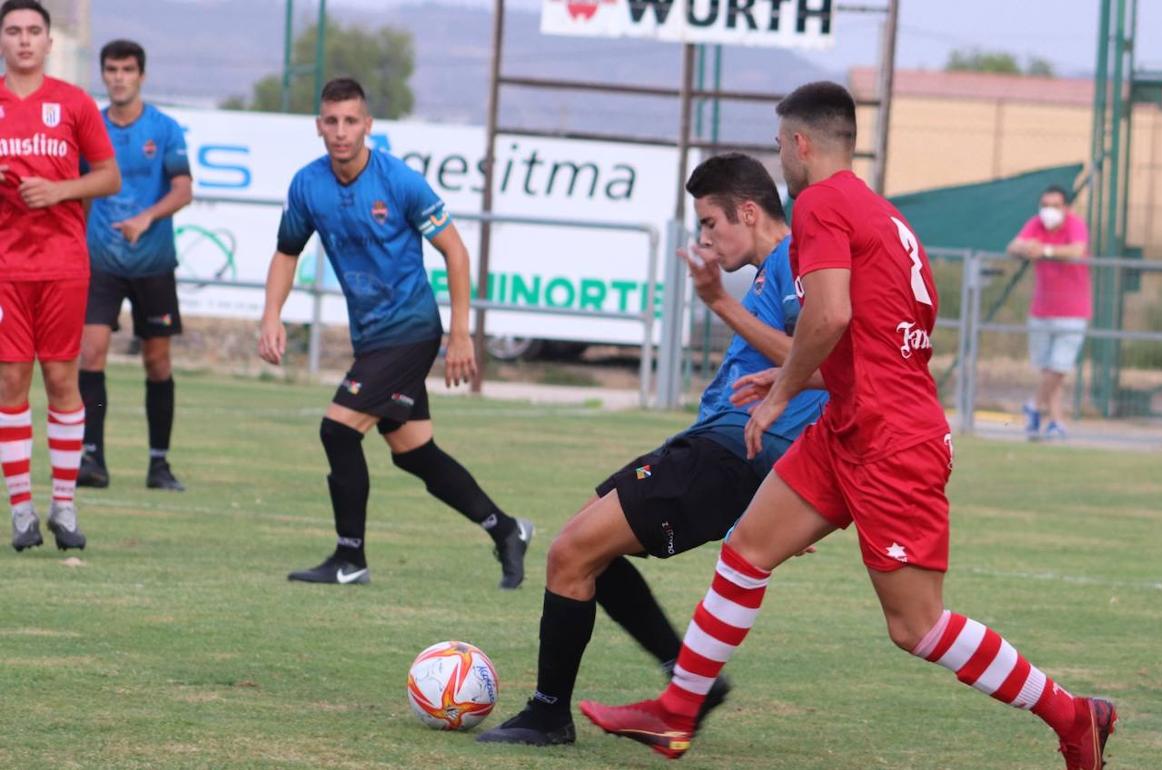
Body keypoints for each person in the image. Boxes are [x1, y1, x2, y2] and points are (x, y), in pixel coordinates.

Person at [579, 82, 1117, 770]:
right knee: (746, 551)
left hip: (892, 442)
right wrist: (794, 375)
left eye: (779, 145)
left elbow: (828, 317)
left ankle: (1075, 716)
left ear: (801, 144)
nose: (779, 159)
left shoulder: (822, 205)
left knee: (916, 627)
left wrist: (778, 398)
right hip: (852, 424)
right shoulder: (881, 216)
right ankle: (677, 711)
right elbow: (881, 333)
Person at [476, 153, 828, 747]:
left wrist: (719, 301)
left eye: (711, 223)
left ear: (748, 211)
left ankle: (549, 713)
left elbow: (811, 356)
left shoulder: (795, 259)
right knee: (586, 550)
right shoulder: (772, 269)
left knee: (570, 553)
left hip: (729, 455)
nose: (707, 239)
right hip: (716, 448)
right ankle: (684, 678)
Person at [258, 77, 532, 588]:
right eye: (332, 121)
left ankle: (350, 557)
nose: (341, 132)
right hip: (372, 336)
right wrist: (271, 313)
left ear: (368, 126)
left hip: (411, 328)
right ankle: (507, 529)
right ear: (319, 126)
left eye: (351, 121)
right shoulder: (307, 185)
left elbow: (456, 251)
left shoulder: (400, 182)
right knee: (414, 453)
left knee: (337, 430)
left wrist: (461, 334)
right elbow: (287, 252)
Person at [1, 0, 121, 552]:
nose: (24, 40)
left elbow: (108, 177)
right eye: (13, 31)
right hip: (6, 270)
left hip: (63, 266)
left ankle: (64, 505)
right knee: (9, 384)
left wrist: (58, 190)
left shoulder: (73, 104)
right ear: (2, 41)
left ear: (50, 43)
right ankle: (21, 509)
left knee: (63, 383)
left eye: (33, 31)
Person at [78, 39, 193, 492]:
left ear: (141, 75)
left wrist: (147, 217)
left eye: (127, 69)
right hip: (100, 262)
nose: (119, 77)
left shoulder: (163, 129)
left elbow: (183, 188)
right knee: (90, 353)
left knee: (157, 361)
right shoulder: (90, 126)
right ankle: (93, 459)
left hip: (153, 262)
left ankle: (158, 464)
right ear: (103, 75)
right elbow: (81, 188)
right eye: (111, 69)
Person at [1006, 185, 1091, 441]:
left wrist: (1046, 251)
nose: (1049, 211)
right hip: (1042, 309)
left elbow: (1077, 250)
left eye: (1055, 206)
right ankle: (1056, 422)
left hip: (1073, 310)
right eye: (1045, 205)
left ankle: (1033, 405)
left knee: (1059, 367)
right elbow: (1014, 246)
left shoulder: (1075, 224)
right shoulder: (1036, 224)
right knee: (1048, 370)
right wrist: (1026, 248)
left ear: (1066, 208)